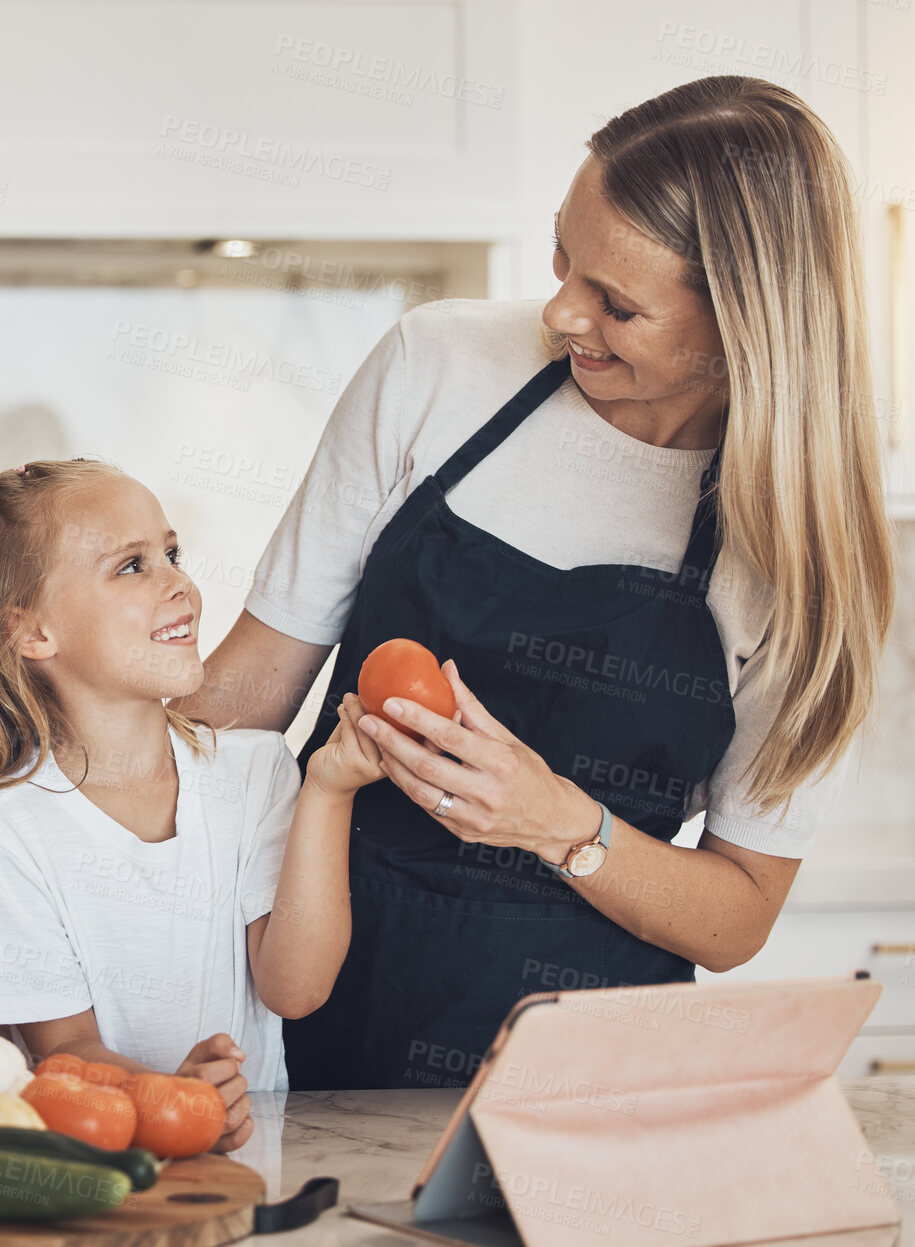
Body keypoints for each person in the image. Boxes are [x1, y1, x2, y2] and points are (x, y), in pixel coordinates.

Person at [173, 76, 896, 1089]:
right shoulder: (438, 364)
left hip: (589, 1073)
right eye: (564, 254)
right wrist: (48, 789)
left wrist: (559, 820)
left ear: (745, 322)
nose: (562, 309)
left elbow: (738, 911)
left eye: (617, 303)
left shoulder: (801, 559)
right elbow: (247, 695)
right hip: (319, 1007)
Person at [0, 461, 383, 1150]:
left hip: (249, 1190)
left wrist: (329, 788)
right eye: (130, 566)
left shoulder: (258, 770)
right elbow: (65, 1052)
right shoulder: (4, 834)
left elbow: (295, 988)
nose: (179, 583)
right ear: (32, 633)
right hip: (97, 1190)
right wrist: (175, 1098)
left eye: (171, 553)